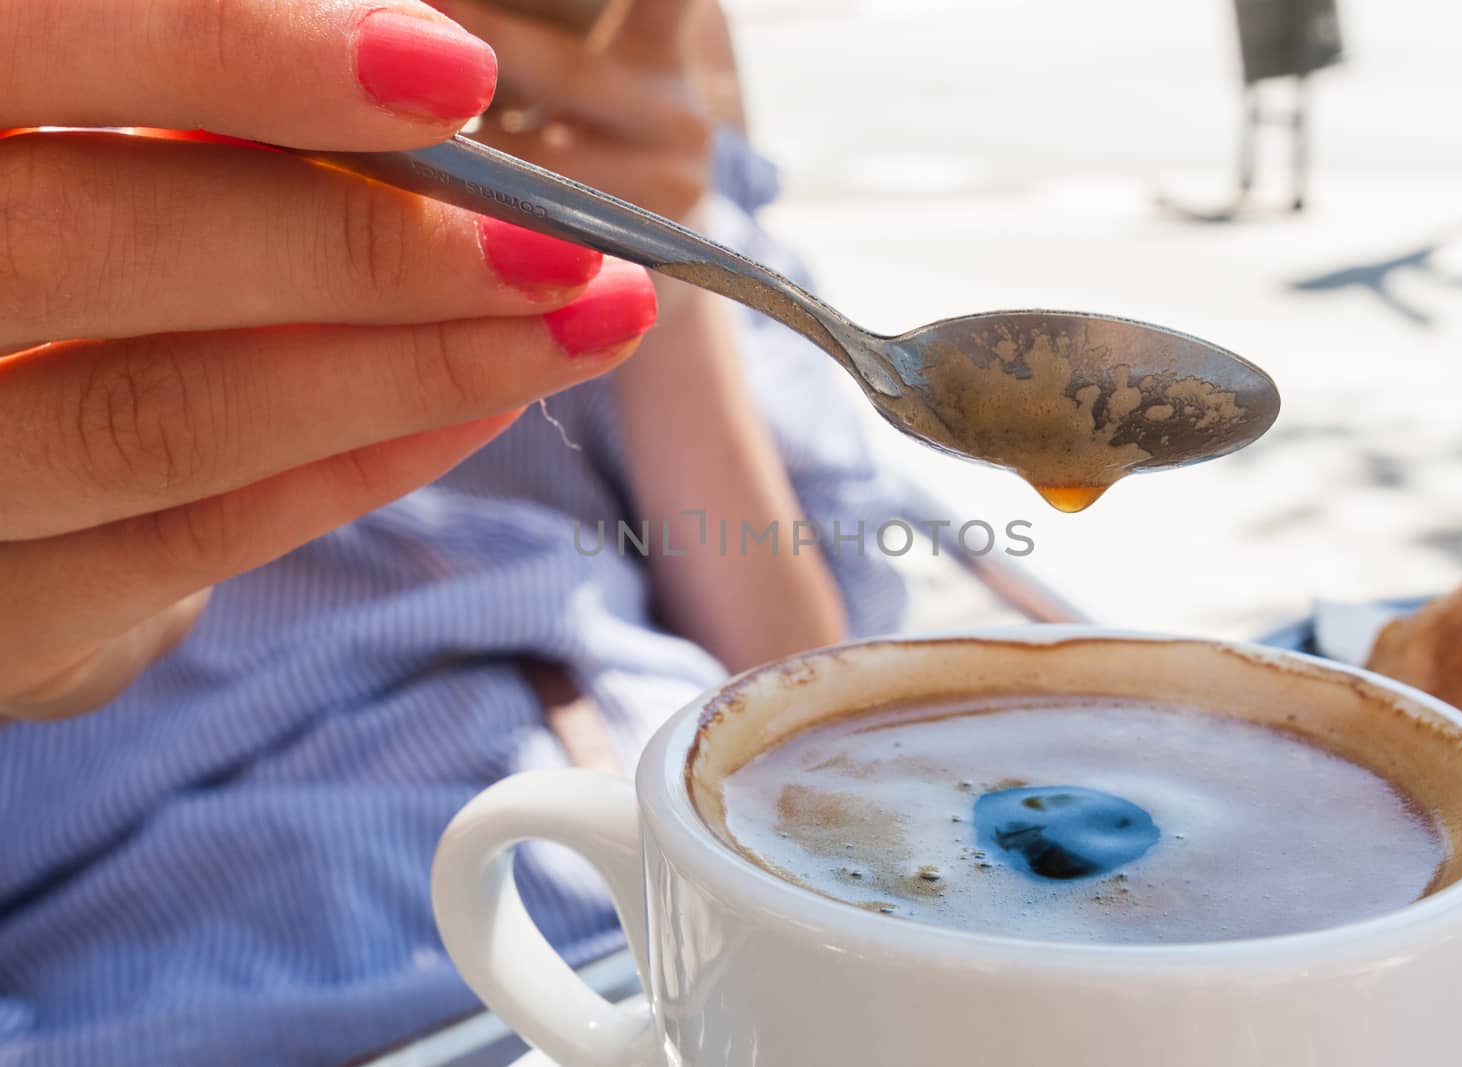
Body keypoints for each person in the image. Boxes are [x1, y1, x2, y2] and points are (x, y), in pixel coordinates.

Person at [0, 1, 909, 1063]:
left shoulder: (651, 116)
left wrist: (658, 258)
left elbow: (810, 698)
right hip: (190, 967)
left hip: (675, 908)